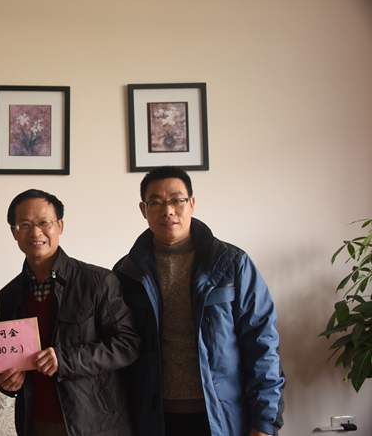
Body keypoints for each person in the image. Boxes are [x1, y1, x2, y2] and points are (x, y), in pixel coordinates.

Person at [113, 166, 285, 436]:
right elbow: (119, 347)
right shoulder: (127, 272)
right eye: (155, 202)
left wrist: (265, 421)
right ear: (143, 210)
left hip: (222, 415)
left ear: (192, 203)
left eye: (177, 200)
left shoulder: (231, 264)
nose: (168, 210)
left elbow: (262, 343)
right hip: (154, 418)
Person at [0, 189, 140, 436]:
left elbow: (127, 345)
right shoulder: (9, 295)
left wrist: (65, 360)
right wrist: (8, 382)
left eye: (44, 223)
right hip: (36, 423)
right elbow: (6, 360)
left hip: (94, 425)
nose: (36, 233)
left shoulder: (98, 282)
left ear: (60, 226)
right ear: (14, 232)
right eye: (25, 225)